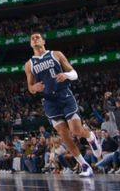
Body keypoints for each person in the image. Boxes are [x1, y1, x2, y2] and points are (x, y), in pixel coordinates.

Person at [24, 32, 102, 177]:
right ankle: (84, 166)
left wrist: (65, 75)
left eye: (37, 37)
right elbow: (30, 87)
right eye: (32, 38)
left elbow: (74, 73)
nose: (35, 39)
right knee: (64, 135)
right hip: (49, 101)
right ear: (30, 44)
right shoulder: (29, 64)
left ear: (43, 41)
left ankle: (90, 136)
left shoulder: (56, 54)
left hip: (64, 95)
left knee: (76, 130)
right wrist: (35, 88)